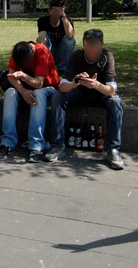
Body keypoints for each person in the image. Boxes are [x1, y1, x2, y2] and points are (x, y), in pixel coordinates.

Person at [45, 29, 124, 170]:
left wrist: (96, 85)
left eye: (97, 48)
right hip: (79, 92)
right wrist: (73, 84)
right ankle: (57, 145)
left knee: (116, 102)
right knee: (57, 97)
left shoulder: (107, 57)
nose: (93, 53)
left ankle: (113, 149)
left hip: (101, 94)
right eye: (90, 48)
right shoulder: (76, 56)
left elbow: (112, 91)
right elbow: (61, 87)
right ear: (84, 46)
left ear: (102, 45)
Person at [0, 41, 59, 162]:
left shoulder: (41, 52)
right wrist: (23, 91)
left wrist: (24, 76)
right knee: (10, 93)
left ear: (32, 53)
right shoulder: (17, 53)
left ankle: (36, 145)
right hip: (28, 88)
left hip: (48, 89)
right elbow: (11, 76)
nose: (25, 65)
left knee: (38, 93)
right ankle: (8, 142)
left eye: (27, 62)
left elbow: (39, 83)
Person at [36, 0, 75, 73]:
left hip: (63, 53)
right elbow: (42, 39)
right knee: (41, 39)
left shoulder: (67, 20)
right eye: (55, 9)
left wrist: (63, 16)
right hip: (50, 52)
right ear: (49, 10)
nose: (57, 12)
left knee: (70, 40)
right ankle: (47, 65)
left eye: (60, 9)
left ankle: (63, 68)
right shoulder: (43, 21)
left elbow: (70, 35)